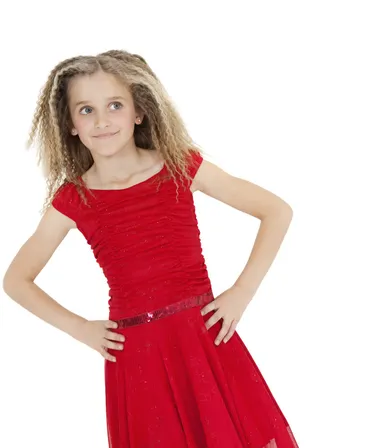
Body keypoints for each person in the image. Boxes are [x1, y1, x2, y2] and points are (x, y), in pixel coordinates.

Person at [3, 50, 299, 447]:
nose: (103, 120)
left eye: (115, 105)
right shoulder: (73, 201)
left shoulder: (179, 167)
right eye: (86, 110)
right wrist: (82, 329)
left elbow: (275, 211)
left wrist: (241, 293)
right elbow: (17, 280)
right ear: (70, 124)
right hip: (136, 357)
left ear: (138, 111)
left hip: (203, 341)